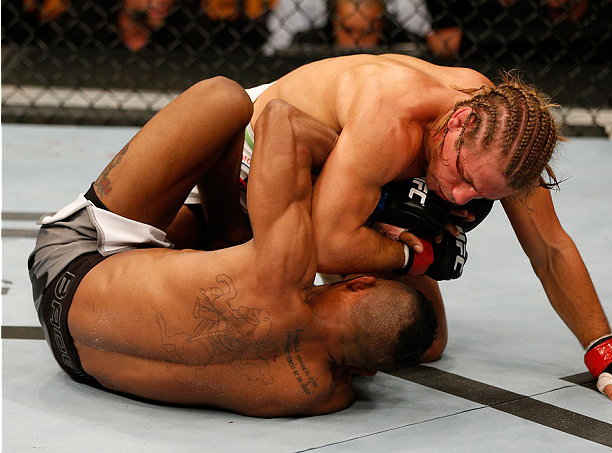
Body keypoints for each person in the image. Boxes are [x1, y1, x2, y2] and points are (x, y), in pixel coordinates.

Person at [174, 53, 612, 407]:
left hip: (341, 180)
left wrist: (606, 350)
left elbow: (549, 248)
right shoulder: (392, 119)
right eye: (461, 177)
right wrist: (416, 256)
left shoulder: (506, 143)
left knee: (423, 338)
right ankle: (186, 232)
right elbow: (329, 245)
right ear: (458, 123)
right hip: (260, 147)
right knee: (259, 308)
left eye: (480, 194)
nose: (461, 198)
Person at [27, 77, 438, 417]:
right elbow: (428, 341)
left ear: (359, 282)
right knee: (237, 240)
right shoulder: (319, 394)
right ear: (364, 371)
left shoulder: (285, 265)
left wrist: (372, 191)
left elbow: (281, 121)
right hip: (76, 358)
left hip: (68, 261)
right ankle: (225, 235)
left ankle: (226, 231)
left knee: (226, 100)